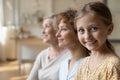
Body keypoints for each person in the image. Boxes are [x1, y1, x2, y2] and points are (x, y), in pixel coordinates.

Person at [74, 1, 120, 80]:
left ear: (109, 29)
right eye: (81, 30)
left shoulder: (113, 65)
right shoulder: (83, 63)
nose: (87, 36)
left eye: (93, 28)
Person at [27, 14, 70, 80]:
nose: (42, 31)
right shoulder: (42, 55)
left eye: (47, 26)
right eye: (42, 27)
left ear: (57, 29)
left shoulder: (70, 55)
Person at [56, 9, 89, 80]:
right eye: (58, 29)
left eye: (64, 29)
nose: (57, 34)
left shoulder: (90, 65)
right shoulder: (63, 65)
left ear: (79, 33)